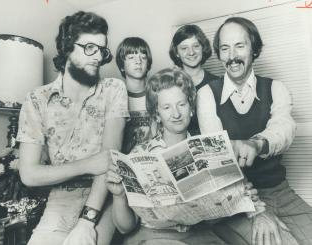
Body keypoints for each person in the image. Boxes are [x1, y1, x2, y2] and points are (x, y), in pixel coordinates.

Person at [105, 67, 260, 245]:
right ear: (157, 114)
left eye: (181, 104)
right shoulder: (139, 155)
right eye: (166, 107)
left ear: (191, 108)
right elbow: (126, 227)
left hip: (198, 235)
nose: (176, 114)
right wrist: (118, 195)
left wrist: (241, 197)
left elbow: (214, 214)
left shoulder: (209, 149)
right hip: (153, 237)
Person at [16, 11, 128, 245]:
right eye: (89, 48)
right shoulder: (37, 100)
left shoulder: (113, 90)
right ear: (67, 47)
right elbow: (29, 174)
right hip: (60, 199)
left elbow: (109, 161)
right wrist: (87, 164)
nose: (97, 56)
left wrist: (87, 220)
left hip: (104, 196)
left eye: (101, 49)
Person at [197, 16, 312, 245]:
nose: (232, 56)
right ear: (219, 54)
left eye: (240, 46)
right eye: (225, 48)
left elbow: (283, 128)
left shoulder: (276, 88)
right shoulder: (207, 94)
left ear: (254, 49)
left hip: (281, 192)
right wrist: (257, 211)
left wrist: (257, 144)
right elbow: (218, 161)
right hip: (235, 200)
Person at [169, 24, 218, 135]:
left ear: (203, 48)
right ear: (177, 52)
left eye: (196, 46)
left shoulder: (217, 83)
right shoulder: (169, 83)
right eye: (184, 48)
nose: (191, 52)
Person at [116, 37, 154, 154]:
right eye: (131, 57)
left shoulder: (157, 95)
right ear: (122, 65)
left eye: (143, 57)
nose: (138, 61)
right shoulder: (115, 98)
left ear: (148, 64)